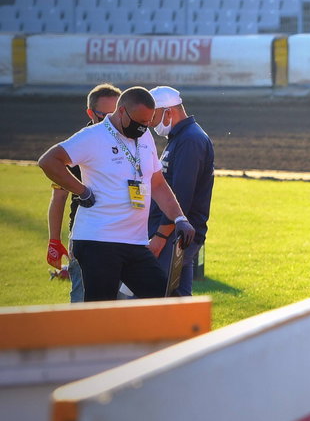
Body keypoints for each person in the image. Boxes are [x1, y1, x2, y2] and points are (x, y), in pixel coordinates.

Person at [37, 87, 196, 301]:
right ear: (122, 111)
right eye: (139, 122)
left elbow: (157, 184)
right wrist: (82, 191)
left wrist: (179, 218)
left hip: (135, 242)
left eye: (148, 122)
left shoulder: (145, 135)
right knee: (101, 311)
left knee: (166, 299)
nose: (143, 128)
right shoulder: (92, 136)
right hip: (98, 241)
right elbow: (48, 161)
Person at [45, 83, 120, 302]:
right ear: (90, 113)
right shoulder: (79, 145)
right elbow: (59, 197)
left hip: (124, 237)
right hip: (87, 237)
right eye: (103, 116)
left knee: (120, 305)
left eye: (115, 115)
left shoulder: (133, 140)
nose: (110, 122)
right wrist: (54, 241)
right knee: (84, 301)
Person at [146, 86, 214, 296]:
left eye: (153, 116)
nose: (150, 122)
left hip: (174, 237)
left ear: (168, 111)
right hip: (174, 235)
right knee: (178, 301)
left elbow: (181, 197)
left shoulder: (190, 140)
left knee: (156, 298)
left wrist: (160, 236)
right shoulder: (180, 137)